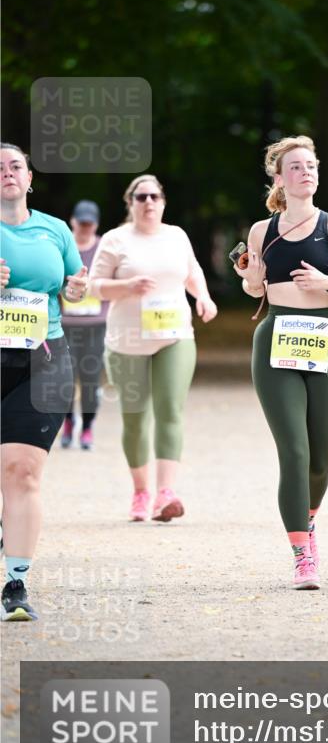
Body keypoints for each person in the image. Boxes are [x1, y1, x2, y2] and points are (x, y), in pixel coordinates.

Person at [234, 135, 328, 590]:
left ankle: (308, 520)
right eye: (295, 167)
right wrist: (250, 278)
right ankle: (302, 556)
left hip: (327, 338)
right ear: (279, 178)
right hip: (276, 337)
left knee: (319, 461)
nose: (305, 172)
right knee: (294, 452)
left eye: (311, 166)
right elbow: (254, 289)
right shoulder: (262, 230)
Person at [87, 174, 217, 523]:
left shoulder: (176, 236)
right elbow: (94, 287)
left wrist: (203, 297)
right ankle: (141, 491)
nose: (148, 202)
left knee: (170, 410)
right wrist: (127, 286)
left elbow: (192, 272)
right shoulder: (115, 239)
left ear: (163, 202)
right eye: (141, 197)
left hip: (174, 336)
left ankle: (166, 494)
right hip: (127, 340)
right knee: (135, 419)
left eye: (154, 196)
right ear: (130, 203)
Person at [0, 143, 88, 621]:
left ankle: (15, 584)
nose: (8, 173)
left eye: (16, 166)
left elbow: (73, 286)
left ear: (30, 177)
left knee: (22, 471)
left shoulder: (55, 229)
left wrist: (77, 288)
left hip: (44, 358)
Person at [60, 200, 109, 450]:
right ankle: (68, 421)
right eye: (81, 223)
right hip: (65, 325)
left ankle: (87, 426)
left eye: (89, 224)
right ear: (73, 221)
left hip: (95, 326)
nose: (85, 228)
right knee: (65, 378)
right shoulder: (63, 245)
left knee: (90, 379)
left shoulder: (104, 249)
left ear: (96, 225)